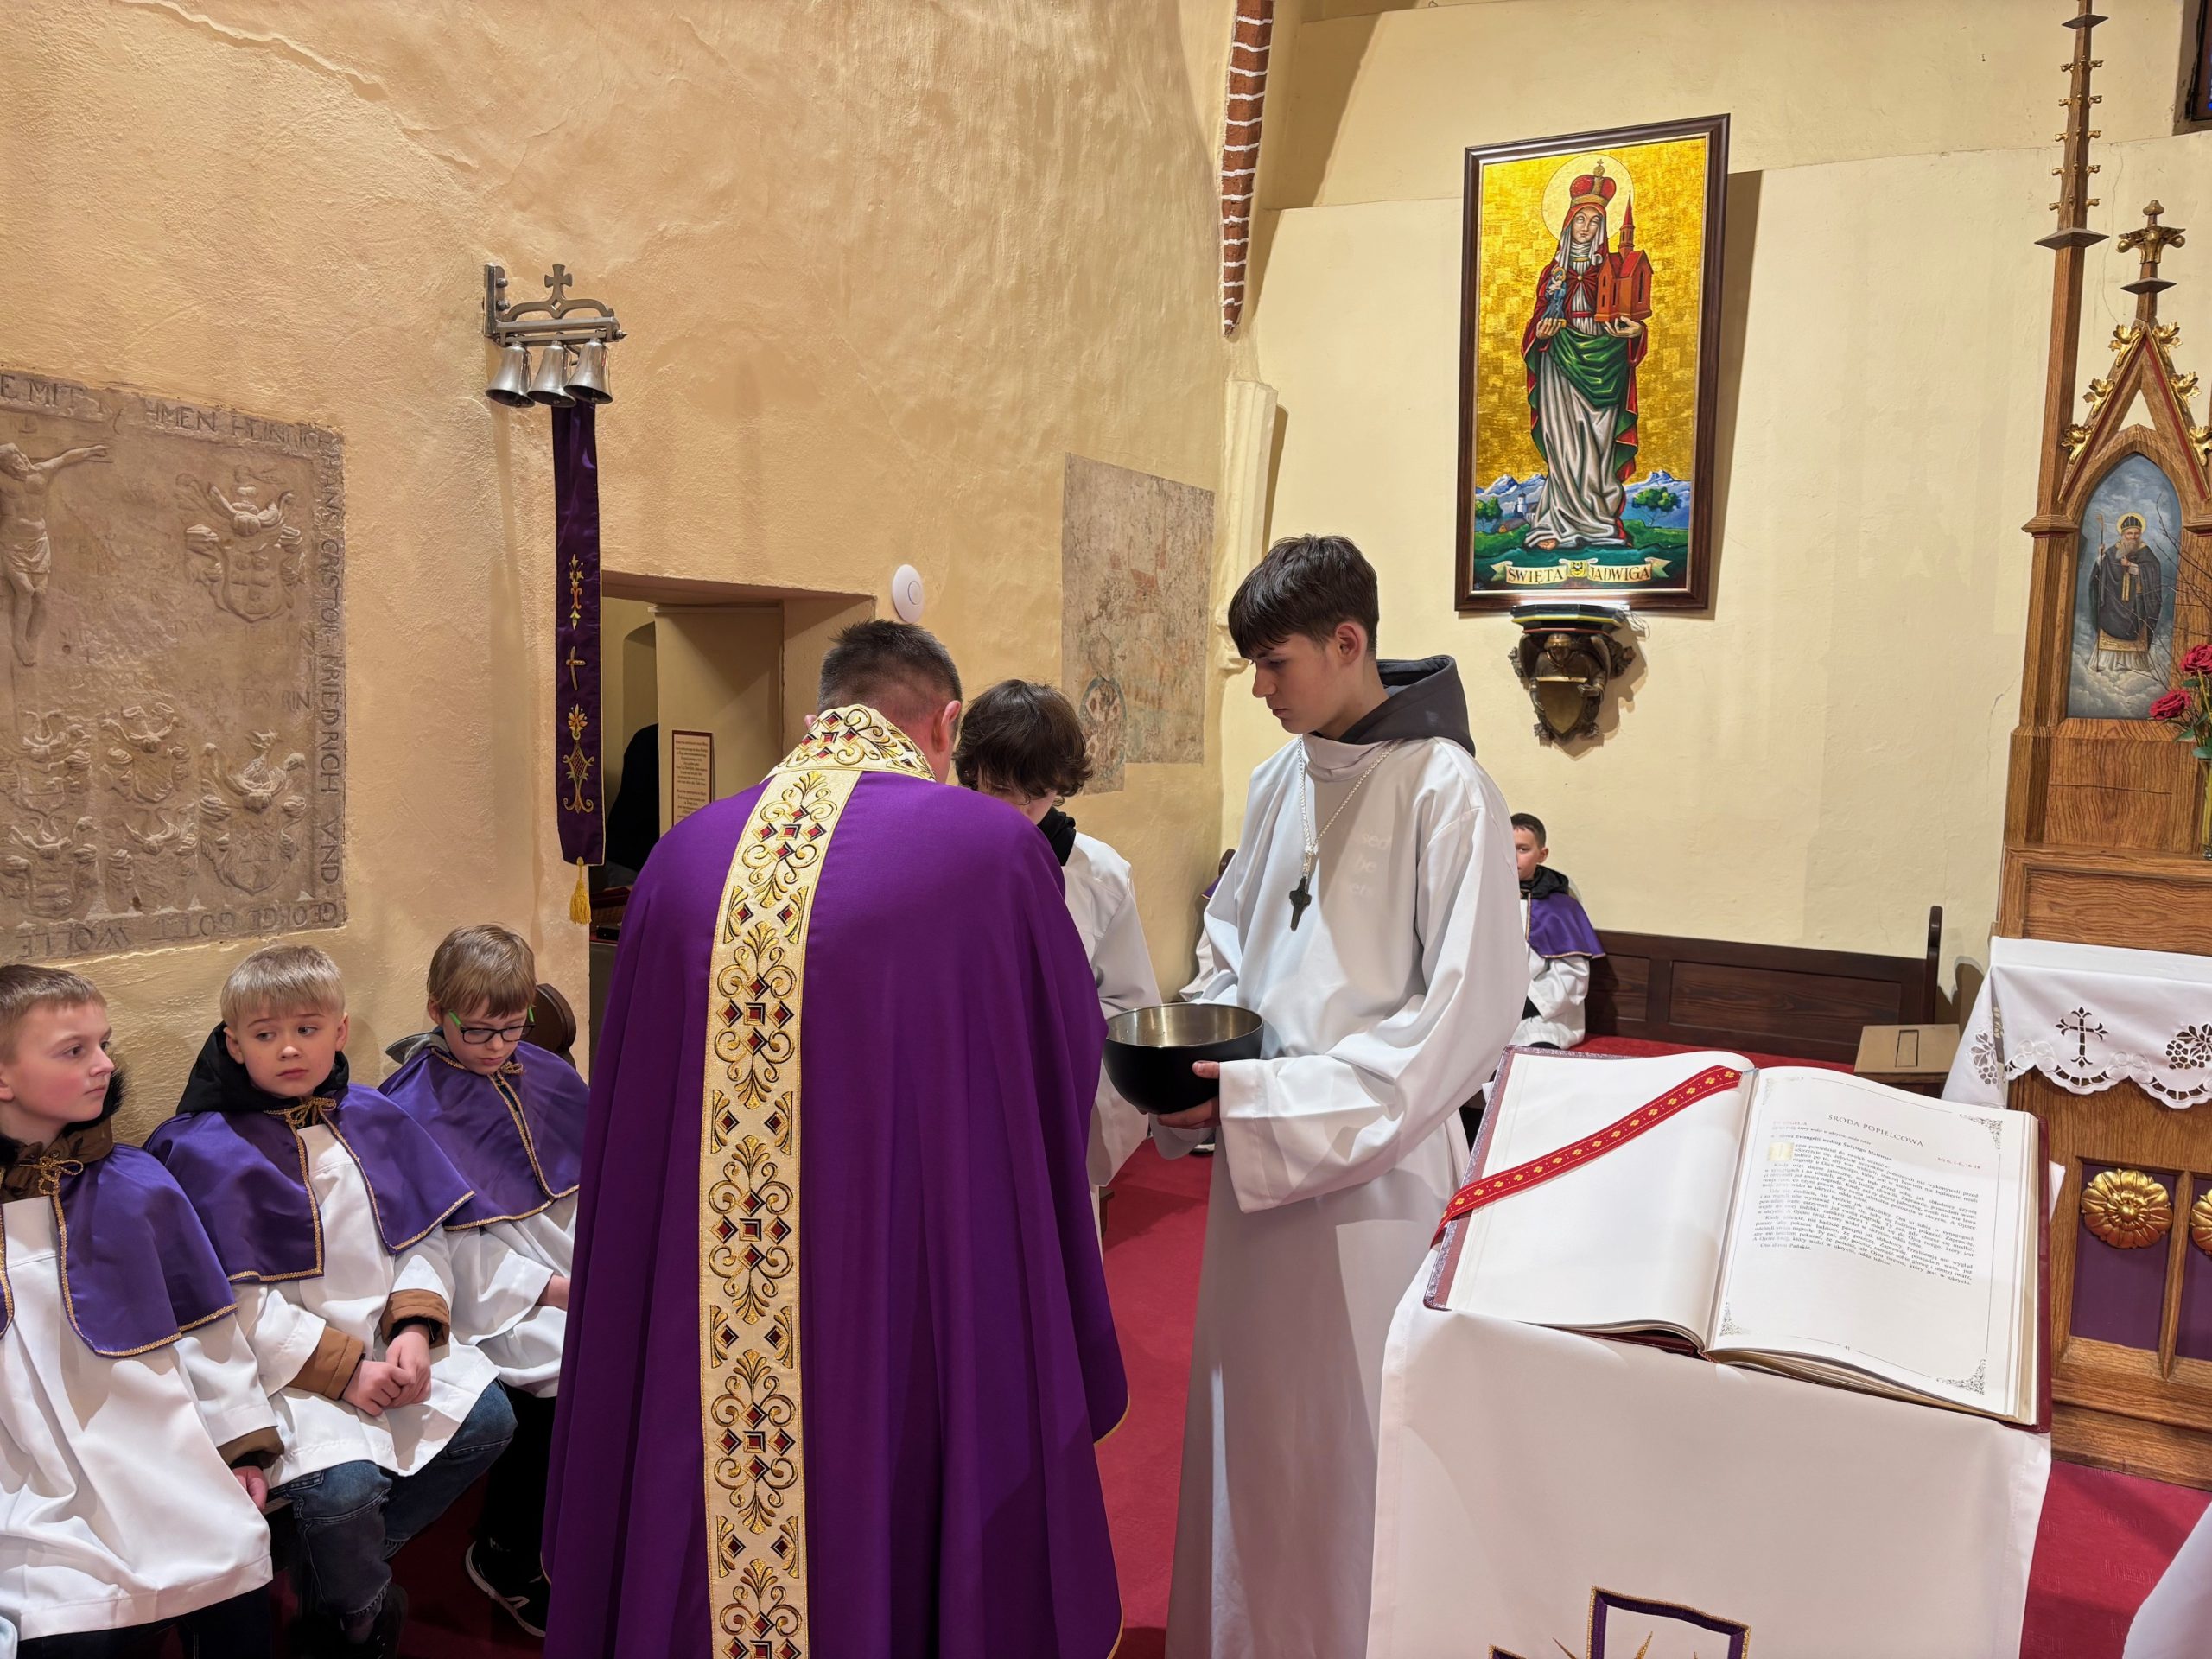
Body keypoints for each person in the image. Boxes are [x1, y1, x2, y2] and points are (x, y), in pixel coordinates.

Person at [546, 620, 1126, 1659]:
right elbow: (1060, 1060)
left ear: (817, 716)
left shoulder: (683, 858)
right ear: (945, 725)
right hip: (904, 1275)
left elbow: (632, 1116)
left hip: (708, 1297)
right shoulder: (990, 850)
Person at [1158, 534, 1522, 1659]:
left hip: (1375, 1183)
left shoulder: (1446, 790)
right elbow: (1233, 951)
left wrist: (1274, 1106)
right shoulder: (1279, 780)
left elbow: (1460, 1019)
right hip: (1256, 1172)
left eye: (1274, 665)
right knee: (1256, 1443)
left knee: (1351, 1448)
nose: (1259, 691)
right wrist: (1194, 1049)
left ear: (1348, 642)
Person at [148, 944, 543, 1659]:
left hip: (385, 1342)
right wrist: (347, 1371)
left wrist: (415, 1327)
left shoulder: (374, 1117)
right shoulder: (199, 1149)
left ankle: (327, 1573)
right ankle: (356, 1612)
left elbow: (420, 1235)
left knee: (490, 1423)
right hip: (285, 1374)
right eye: (265, 1034)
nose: (289, 1049)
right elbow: (225, 1304)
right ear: (233, 1044)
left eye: (307, 1029)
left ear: (341, 1031)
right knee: (343, 1494)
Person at [0, 966, 277, 1657]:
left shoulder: (138, 1184)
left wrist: (239, 1445)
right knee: (66, 1630)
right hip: (28, 1481)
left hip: (157, 1452)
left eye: (104, 1043)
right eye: (74, 1050)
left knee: (234, 1579)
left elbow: (207, 1327)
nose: (105, 1065)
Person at [381, 925, 584, 1637]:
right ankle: (505, 1551)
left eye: (513, 1027)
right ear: (436, 1010)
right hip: (491, 1281)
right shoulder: (406, 1108)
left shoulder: (547, 1071)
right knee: (561, 1370)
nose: (498, 1047)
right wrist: (553, 1289)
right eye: (477, 1031)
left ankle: (589, 1523)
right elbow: (426, 1240)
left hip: (572, 1253)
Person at [955, 678, 1154, 1222]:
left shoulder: (1100, 874)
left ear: (1062, 785)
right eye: (999, 789)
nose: (1017, 811)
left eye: (1036, 793)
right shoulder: (940, 859)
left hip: (1054, 1101)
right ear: (971, 772)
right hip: (962, 1101)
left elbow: (1127, 1007)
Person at [1521, 162, 1645, 553]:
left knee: (1597, 448)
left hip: (1607, 363)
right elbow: (1536, 324)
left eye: (1595, 221)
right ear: (1568, 223)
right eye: (1581, 219)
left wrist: (1635, 333)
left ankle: (1598, 522)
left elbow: (1631, 313)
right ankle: (1555, 523)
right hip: (1560, 363)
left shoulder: (1615, 267)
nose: (1587, 228)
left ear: (1604, 227)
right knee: (1564, 444)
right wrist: (1541, 334)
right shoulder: (1552, 272)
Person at [0, 442, 107, 667]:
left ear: (22, 456)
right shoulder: (3, 482)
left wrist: (91, 451)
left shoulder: (41, 472)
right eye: (9, 466)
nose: (15, 468)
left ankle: (32, 640)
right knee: (25, 590)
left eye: (16, 461)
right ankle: (19, 640)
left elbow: (66, 458)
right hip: (12, 543)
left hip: (38, 543)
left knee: (40, 595)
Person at [2090, 512, 2165, 677]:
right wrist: (2101, 557)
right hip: (2113, 604)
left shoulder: (2145, 551)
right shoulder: (2113, 551)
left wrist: (2131, 566)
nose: (2132, 537)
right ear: (2122, 534)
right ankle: (2108, 663)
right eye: (2129, 533)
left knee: (2135, 629)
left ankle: (2135, 666)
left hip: (2136, 604)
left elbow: (2153, 570)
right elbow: (2101, 573)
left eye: (2136, 533)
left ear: (2140, 534)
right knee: (2110, 626)